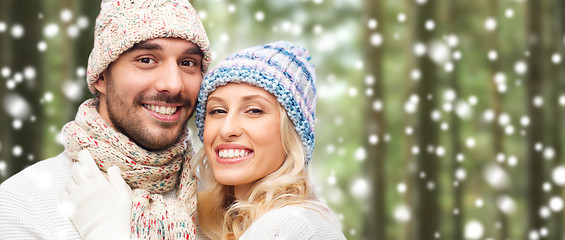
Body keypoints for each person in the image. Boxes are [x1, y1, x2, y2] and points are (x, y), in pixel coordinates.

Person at [0, 0, 211, 239]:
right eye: (146, 60)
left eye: (187, 63)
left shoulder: (222, 200)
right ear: (100, 76)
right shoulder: (24, 203)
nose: (173, 84)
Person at [193, 41, 345, 239]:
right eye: (218, 111)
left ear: (292, 132)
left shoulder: (288, 226)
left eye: (254, 111)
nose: (226, 129)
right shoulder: (226, 222)